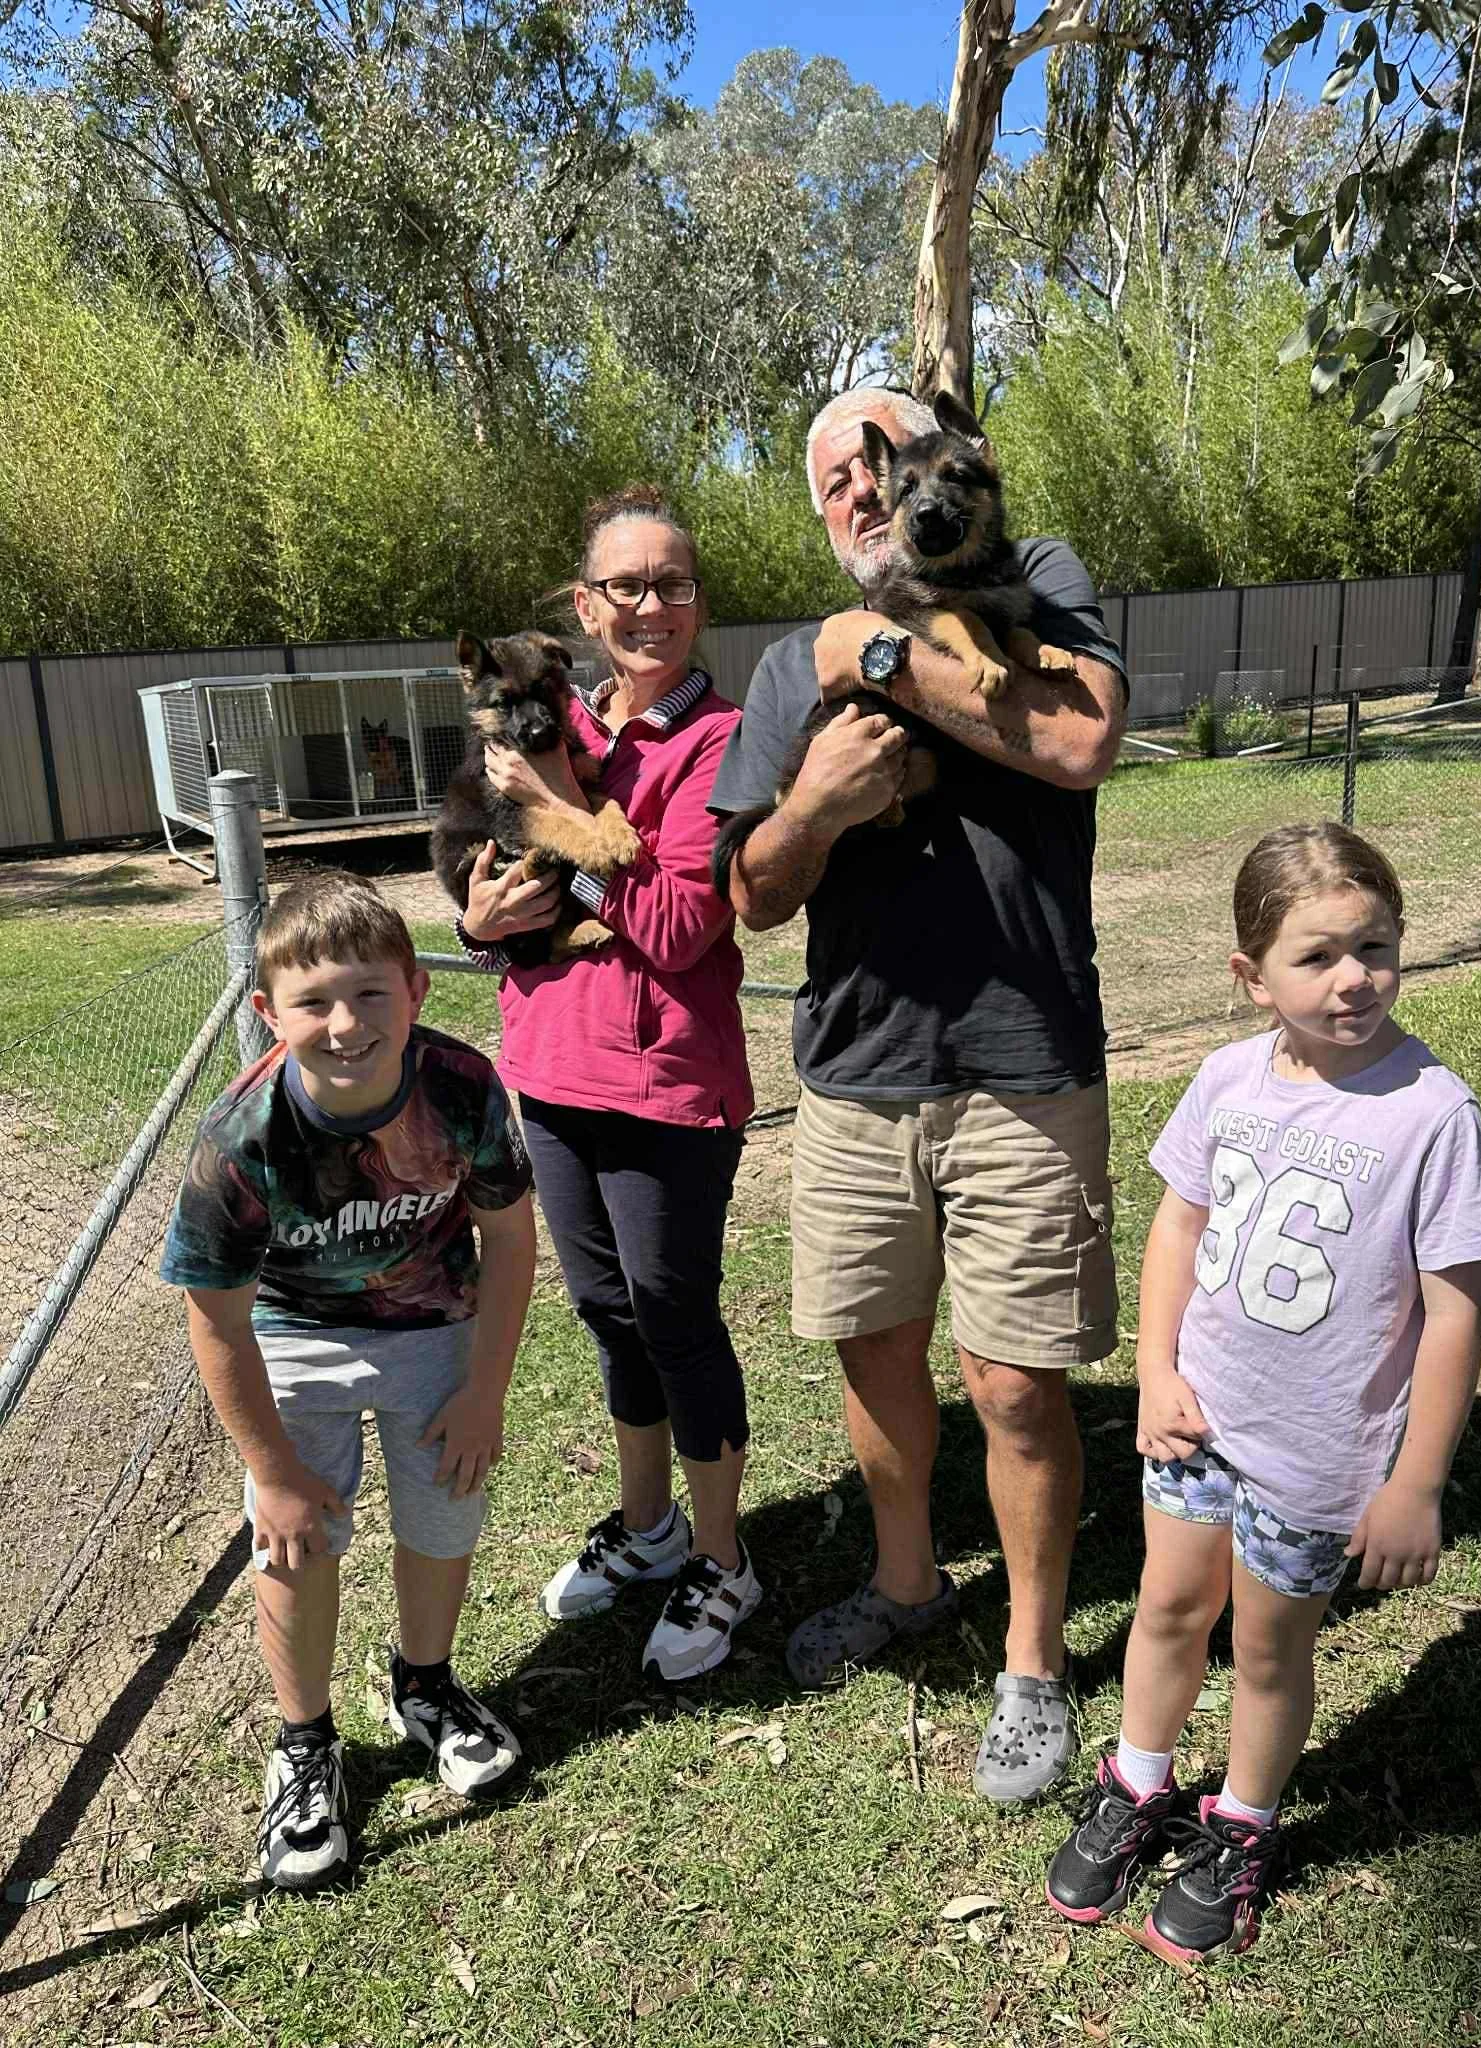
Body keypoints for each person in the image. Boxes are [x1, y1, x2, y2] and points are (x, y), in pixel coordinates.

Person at [710, 389, 1129, 1805]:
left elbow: (1077, 741)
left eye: (885, 459)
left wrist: (881, 652)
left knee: (1015, 1381)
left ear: (957, 468)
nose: (867, 488)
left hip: (1025, 1061)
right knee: (876, 1358)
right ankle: (907, 1584)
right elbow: (750, 896)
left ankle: (1029, 1658)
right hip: (857, 1073)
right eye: (841, 473)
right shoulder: (787, 668)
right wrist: (820, 800)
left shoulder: (1040, 578)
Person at [1045, 823, 1481, 1961]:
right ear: (1252, 976)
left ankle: (1242, 1826)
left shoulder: (1432, 1113)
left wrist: (1416, 1481)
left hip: (1316, 1455)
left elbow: (1455, 1311)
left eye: (1376, 945)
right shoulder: (1226, 1077)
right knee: (1164, 1607)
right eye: (1318, 955)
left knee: (1264, 1648)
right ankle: (1138, 1782)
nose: (1354, 976)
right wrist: (1155, 1368)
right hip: (1197, 1421)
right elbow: (1178, 1227)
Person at [161, 873, 536, 1891]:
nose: (344, 1022)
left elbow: (508, 1239)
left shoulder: (460, 1084)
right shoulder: (238, 1140)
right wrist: (271, 1465)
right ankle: (305, 1740)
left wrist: (484, 1391)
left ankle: (426, 1683)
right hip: (293, 1337)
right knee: (295, 1538)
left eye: (370, 993)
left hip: (433, 1326)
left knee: (446, 1506)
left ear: (416, 988)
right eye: (314, 999)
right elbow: (218, 1318)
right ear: (267, 1013)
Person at [451, 483, 758, 1682]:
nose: (648, 606)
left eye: (671, 584)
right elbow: (504, 880)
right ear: (587, 606)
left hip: (665, 1078)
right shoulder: (558, 721)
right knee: (605, 1314)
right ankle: (648, 1529)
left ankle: (726, 1560)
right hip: (553, 1068)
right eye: (624, 586)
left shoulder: (720, 742)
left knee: (676, 1315)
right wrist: (482, 922)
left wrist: (558, 813)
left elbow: (681, 925)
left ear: (696, 602)